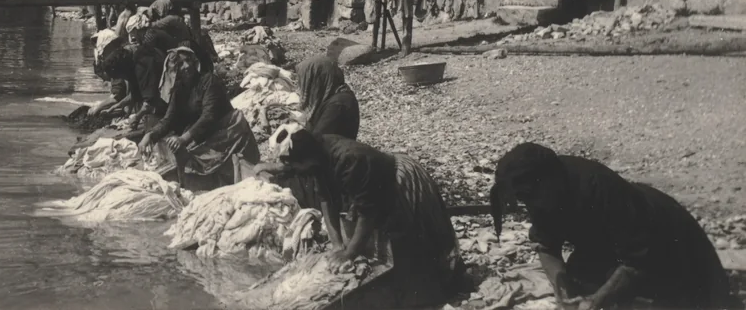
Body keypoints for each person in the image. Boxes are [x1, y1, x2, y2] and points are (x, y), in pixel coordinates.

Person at [490, 142, 736, 310]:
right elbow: (546, 247)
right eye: (521, 198)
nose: (528, 204)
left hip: (669, 240)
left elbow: (636, 262)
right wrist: (561, 288)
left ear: (550, 180)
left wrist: (596, 302)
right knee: (579, 279)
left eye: (528, 195)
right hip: (612, 242)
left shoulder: (599, 188)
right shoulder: (540, 194)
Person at [279, 129, 463, 308]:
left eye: (299, 167)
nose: (300, 173)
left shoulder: (349, 159)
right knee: (391, 243)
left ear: (308, 159)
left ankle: (437, 286)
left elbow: (367, 213)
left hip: (398, 179)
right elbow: (326, 200)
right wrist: (337, 245)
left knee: (413, 238)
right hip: (376, 182)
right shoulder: (317, 161)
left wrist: (350, 254)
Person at [140, 47, 259, 189]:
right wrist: (150, 135)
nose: (186, 66)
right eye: (180, 64)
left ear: (194, 61)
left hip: (227, 131)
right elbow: (169, 119)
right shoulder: (179, 89)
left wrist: (183, 139)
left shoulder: (209, 81)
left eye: (188, 61)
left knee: (195, 159)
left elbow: (209, 116)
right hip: (205, 132)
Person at [256, 56, 360, 208]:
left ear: (316, 80)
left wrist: (281, 167)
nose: (302, 87)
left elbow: (316, 150)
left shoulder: (337, 106)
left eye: (304, 81)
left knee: (268, 187)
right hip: (330, 164)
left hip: (331, 176)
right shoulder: (335, 96)